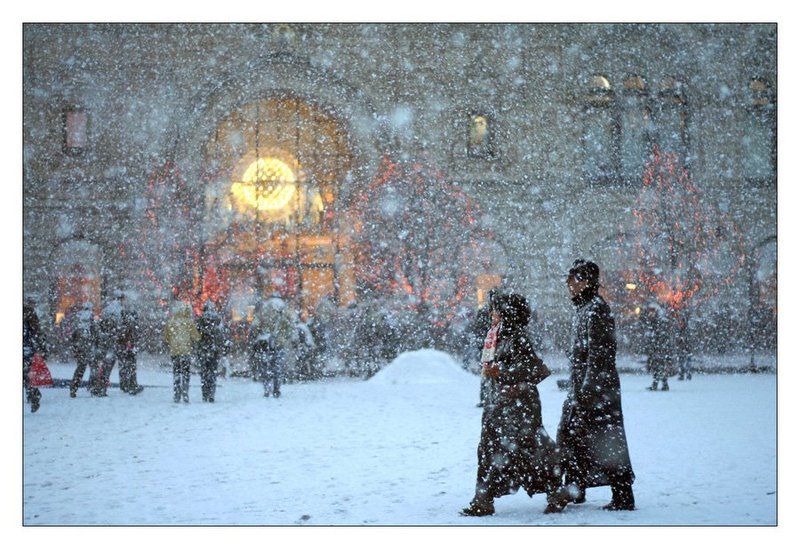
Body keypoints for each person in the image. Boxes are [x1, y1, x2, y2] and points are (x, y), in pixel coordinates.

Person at [461, 293, 559, 517]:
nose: (491, 314)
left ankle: (556, 490)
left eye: (495, 310)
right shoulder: (496, 336)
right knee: (489, 448)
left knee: (531, 449)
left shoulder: (517, 338)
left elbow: (536, 370)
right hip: (499, 406)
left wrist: (503, 372)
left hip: (520, 407)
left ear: (507, 314)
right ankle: (483, 499)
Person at [551, 259, 635, 512]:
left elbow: (599, 355)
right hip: (585, 389)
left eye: (572, 279)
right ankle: (576, 486)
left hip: (598, 391)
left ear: (585, 281)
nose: (568, 284)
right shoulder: (584, 308)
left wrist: (587, 390)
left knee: (605, 440)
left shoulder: (596, 310)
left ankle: (621, 494)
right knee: (573, 436)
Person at [251, 294, 294, 398]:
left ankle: (266, 388)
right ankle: (276, 389)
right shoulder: (283, 309)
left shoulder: (264, 309)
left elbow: (255, 326)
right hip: (279, 344)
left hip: (265, 343)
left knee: (265, 367)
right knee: (277, 368)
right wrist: (283, 338)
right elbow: (290, 328)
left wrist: (260, 334)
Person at [164, 301, 200, 403]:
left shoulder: (170, 322)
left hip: (174, 351)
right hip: (186, 351)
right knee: (185, 373)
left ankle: (176, 394)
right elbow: (196, 337)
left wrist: (172, 341)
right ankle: (185, 392)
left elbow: (166, 337)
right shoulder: (189, 322)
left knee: (176, 372)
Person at [196, 301, 224, 402]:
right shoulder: (218, 320)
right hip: (214, 350)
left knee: (204, 373)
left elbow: (196, 336)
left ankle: (205, 394)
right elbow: (221, 335)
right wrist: (220, 347)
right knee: (212, 372)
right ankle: (211, 394)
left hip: (203, 350)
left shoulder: (200, 319)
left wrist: (198, 347)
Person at [642, 302, 673, 391]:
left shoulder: (659, 321)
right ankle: (661, 384)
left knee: (658, 366)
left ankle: (660, 384)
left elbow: (661, 334)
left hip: (660, 348)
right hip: (659, 348)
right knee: (658, 366)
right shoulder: (657, 321)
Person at [92, 300, 121, 397]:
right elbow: (115, 336)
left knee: (98, 370)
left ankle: (96, 387)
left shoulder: (100, 323)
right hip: (108, 350)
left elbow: (95, 336)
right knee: (105, 370)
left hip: (101, 349)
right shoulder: (113, 324)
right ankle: (101, 389)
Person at [117, 296, 144, 395]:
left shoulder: (121, 315)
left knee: (124, 365)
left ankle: (125, 385)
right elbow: (134, 332)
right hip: (129, 345)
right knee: (131, 365)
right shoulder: (130, 319)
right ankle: (132, 385)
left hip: (123, 345)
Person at [69, 302, 96, 398]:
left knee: (80, 368)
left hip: (80, 347)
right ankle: (93, 388)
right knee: (94, 368)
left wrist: (75, 347)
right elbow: (94, 332)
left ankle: (73, 388)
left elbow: (73, 335)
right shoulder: (90, 318)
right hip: (88, 347)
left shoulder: (77, 318)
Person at [23, 298, 44, 413]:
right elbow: (37, 331)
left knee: (26, 374)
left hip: (26, 347)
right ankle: (33, 394)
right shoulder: (29, 312)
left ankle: (33, 394)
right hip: (27, 346)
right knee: (27, 374)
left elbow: (36, 330)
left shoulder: (28, 312)